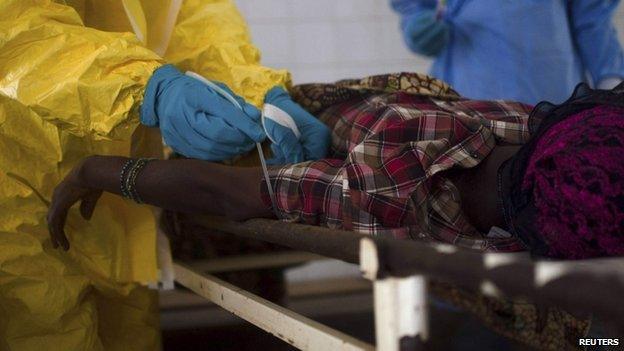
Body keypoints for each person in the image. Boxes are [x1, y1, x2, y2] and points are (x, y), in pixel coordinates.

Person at [48, 73, 623, 349]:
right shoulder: (384, 194)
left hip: (380, 125)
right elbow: (230, 192)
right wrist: (96, 170)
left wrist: (99, 171)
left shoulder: (540, 129)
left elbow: (233, 192)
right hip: (360, 136)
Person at [0, 0, 328, 350]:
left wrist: (257, 93)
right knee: (41, 324)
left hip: (121, 201)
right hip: (18, 181)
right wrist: (141, 86)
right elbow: (17, 29)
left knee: (129, 331)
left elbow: (196, 19)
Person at [391, 0, 624, 104]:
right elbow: (417, 6)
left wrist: (610, 79)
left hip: (552, 92)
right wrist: (419, 24)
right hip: (470, 91)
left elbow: (592, 19)